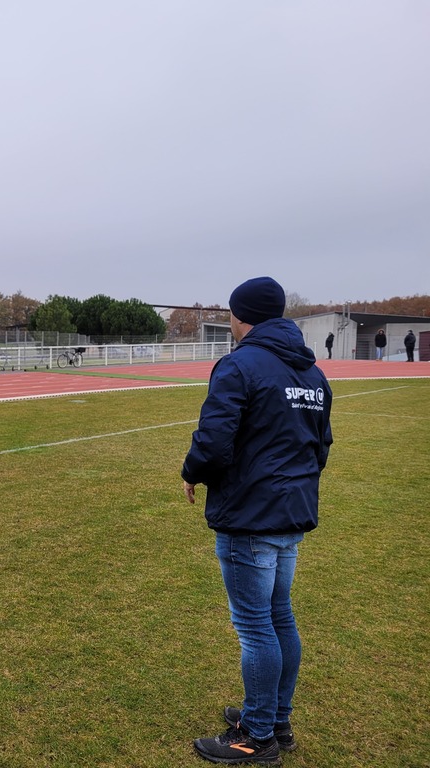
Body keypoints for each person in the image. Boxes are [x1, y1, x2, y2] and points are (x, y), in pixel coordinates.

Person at [182, 276, 333, 765]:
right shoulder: (312, 372)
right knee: (278, 615)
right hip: (290, 512)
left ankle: (258, 735)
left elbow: (214, 441)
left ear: (240, 315)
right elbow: (321, 447)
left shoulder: (239, 364)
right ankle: (275, 719)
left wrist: (192, 473)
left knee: (256, 626)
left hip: (251, 515)